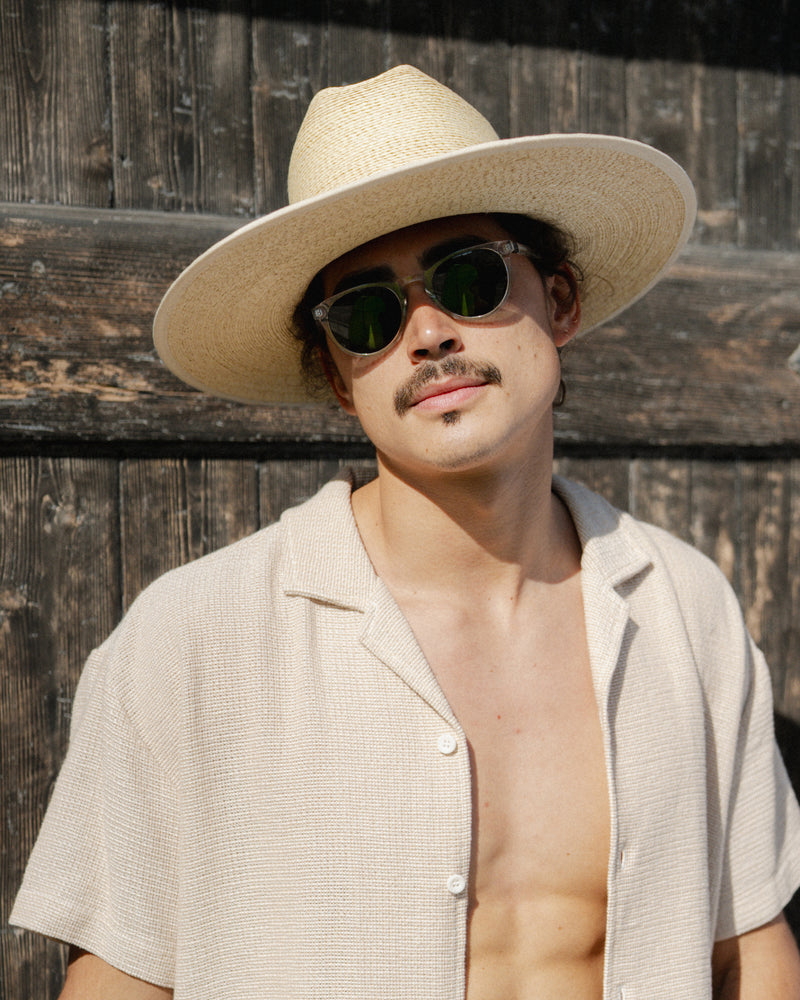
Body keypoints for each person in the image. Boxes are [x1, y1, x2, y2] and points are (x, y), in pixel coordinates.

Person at [10, 65, 800, 1000]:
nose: (426, 335)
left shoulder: (685, 610)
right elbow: (118, 981)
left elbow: (748, 950)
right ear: (340, 377)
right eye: (368, 314)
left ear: (561, 300)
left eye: (469, 277)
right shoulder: (195, 637)